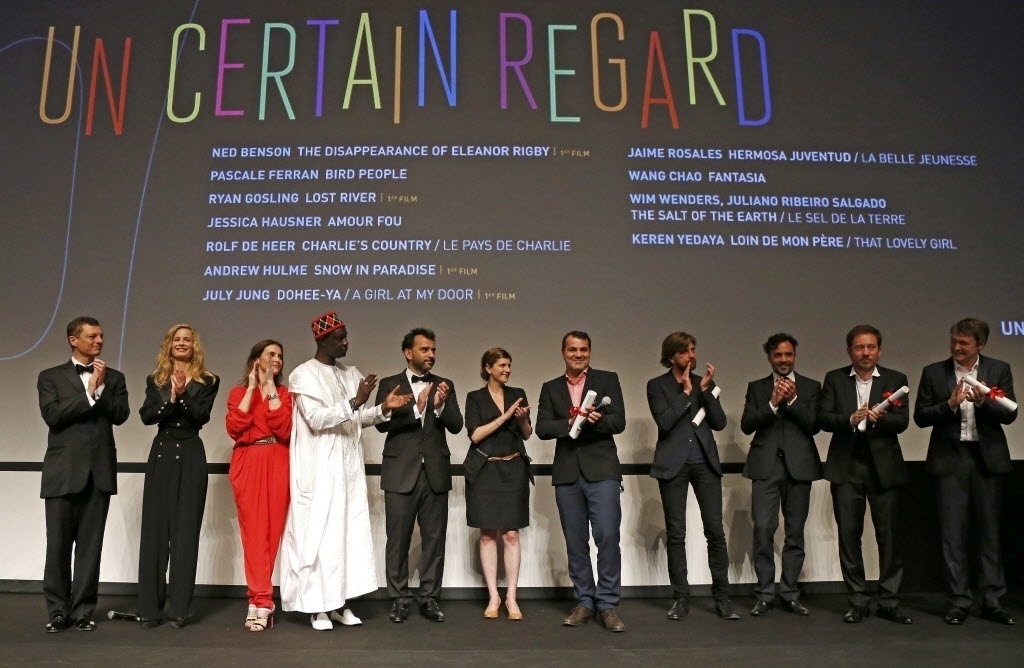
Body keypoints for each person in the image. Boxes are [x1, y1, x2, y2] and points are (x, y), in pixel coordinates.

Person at [280, 312, 410, 630]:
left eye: (346, 336)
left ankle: (340, 603)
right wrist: (356, 401)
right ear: (323, 340)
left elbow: (356, 418)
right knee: (321, 538)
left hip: (348, 470)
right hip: (320, 472)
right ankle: (317, 608)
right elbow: (317, 419)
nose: (346, 342)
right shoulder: (303, 375)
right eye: (340, 338)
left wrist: (381, 409)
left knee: (346, 537)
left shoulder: (350, 372)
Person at [913, 318, 1017, 626]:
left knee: (989, 534)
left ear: (980, 345)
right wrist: (949, 404)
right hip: (950, 460)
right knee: (952, 534)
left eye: (964, 343)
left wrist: (985, 402)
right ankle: (959, 600)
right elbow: (920, 416)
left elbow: (1010, 413)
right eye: (954, 341)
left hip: (987, 462)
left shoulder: (997, 370)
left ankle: (992, 600)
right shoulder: (934, 372)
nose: (957, 347)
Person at [38, 316, 130, 633]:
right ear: (73, 340)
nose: (99, 341)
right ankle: (58, 611)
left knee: (90, 548)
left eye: (102, 336)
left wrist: (101, 389)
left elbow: (121, 415)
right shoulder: (50, 377)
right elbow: (53, 416)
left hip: (99, 473)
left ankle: (82, 610)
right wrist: (89, 393)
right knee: (58, 546)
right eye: (92, 336)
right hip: (62, 474)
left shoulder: (114, 378)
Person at [818, 324, 911, 624]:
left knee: (891, 537)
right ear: (850, 351)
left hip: (884, 468)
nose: (866, 352)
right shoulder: (834, 379)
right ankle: (857, 599)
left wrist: (879, 419)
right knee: (849, 535)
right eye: (860, 347)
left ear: (879, 350)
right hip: (847, 466)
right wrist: (850, 418)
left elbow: (902, 422)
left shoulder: (896, 379)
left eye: (871, 347)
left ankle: (889, 600)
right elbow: (824, 418)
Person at [536, 331, 627, 632]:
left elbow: (619, 422)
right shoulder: (550, 388)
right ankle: (585, 602)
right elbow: (542, 427)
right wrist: (572, 421)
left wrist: (598, 421)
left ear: (590, 351)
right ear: (563, 352)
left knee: (607, 537)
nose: (578, 354)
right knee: (576, 543)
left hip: (602, 470)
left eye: (584, 349)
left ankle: (608, 604)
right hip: (567, 473)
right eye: (572, 349)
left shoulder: (607, 379)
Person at [374, 327, 464, 624]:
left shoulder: (445, 384)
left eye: (434, 350)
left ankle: (429, 598)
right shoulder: (391, 383)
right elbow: (382, 426)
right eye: (425, 350)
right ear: (408, 352)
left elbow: (456, 426)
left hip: (435, 473)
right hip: (400, 472)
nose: (431, 355)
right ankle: (399, 598)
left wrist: (438, 408)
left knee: (434, 540)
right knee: (397, 539)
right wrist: (418, 406)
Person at [646, 332, 737, 621]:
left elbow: (720, 423)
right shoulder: (657, 386)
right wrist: (686, 393)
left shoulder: (704, 384)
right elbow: (665, 421)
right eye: (685, 351)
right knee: (677, 533)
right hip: (673, 466)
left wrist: (705, 391)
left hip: (705, 464)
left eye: (693, 350)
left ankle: (722, 597)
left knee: (715, 532)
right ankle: (681, 598)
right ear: (672, 356)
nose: (691, 356)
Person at [136, 324, 220, 628]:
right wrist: (169, 400)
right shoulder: (155, 380)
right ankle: (149, 609)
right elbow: (147, 416)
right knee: (155, 534)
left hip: (190, 454)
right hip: (161, 454)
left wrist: (183, 396)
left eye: (187, 340)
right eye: (177, 339)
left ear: (194, 346)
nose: (182, 343)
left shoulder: (209, 380)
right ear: (169, 345)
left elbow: (201, 416)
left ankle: (179, 609)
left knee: (185, 534)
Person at [740, 333, 822, 617]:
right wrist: (773, 403)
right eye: (778, 355)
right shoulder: (757, 387)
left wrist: (794, 399)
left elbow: (814, 425)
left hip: (799, 468)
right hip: (765, 467)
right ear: (769, 358)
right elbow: (747, 425)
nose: (784, 360)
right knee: (763, 529)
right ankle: (764, 593)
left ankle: (789, 592)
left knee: (795, 533)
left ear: (795, 356)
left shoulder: (811, 387)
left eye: (788, 355)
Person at [226, 340, 292, 632]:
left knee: (271, 534)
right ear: (256, 360)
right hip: (248, 460)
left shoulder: (285, 394)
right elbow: (233, 427)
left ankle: (260, 600)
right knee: (253, 536)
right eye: (270, 354)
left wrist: (269, 390)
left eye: (279, 355)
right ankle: (261, 600)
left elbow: (285, 428)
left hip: (277, 460)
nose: (276, 359)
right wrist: (253, 388)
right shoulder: (239, 392)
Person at [463, 348, 533, 620]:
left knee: (512, 534)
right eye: (502, 365)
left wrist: (522, 419)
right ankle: (493, 596)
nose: (507, 370)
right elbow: (475, 435)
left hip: (513, 468)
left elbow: (527, 434)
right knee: (488, 534)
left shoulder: (518, 394)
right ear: (488, 367)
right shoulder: (475, 398)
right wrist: (504, 418)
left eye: (509, 365)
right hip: (485, 471)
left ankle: (511, 597)